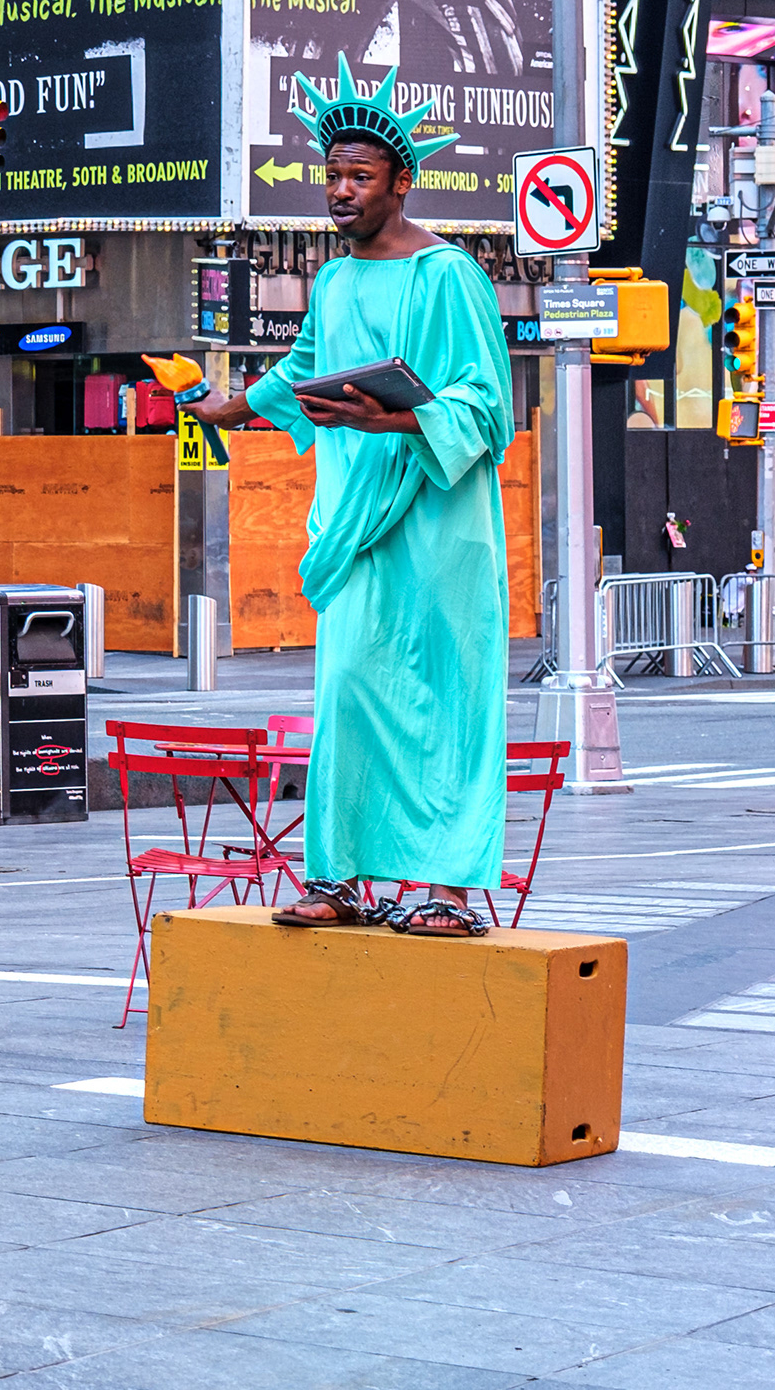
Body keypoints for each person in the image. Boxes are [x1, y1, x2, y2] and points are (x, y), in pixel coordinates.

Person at [183, 58, 512, 937]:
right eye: (331, 175)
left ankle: (442, 888)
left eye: (359, 176)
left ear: (401, 183)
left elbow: (487, 404)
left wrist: (396, 421)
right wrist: (229, 404)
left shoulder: (450, 275)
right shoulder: (331, 283)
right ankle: (342, 879)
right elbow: (303, 374)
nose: (339, 191)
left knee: (443, 694)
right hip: (356, 521)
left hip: (440, 521)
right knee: (353, 690)